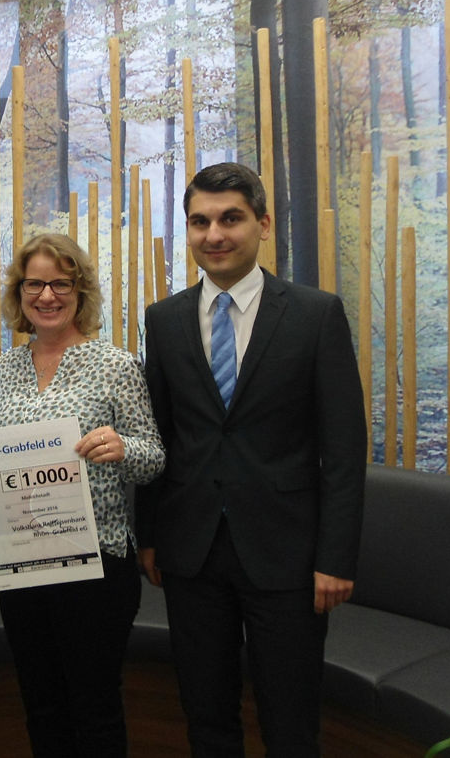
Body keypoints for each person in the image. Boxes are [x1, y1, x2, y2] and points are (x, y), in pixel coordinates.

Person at [137, 163, 366, 757]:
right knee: (206, 714)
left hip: (287, 556)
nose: (214, 233)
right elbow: (159, 434)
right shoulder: (162, 321)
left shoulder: (316, 315)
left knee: (290, 721)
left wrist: (335, 557)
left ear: (263, 224)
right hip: (191, 553)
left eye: (230, 218)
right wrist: (150, 535)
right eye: (199, 221)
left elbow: (343, 450)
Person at [0, 233, 165, 757]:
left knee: (94, 708)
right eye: (34, 283)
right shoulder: (5, 369)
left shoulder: (117, 365)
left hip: (97, 564)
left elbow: (154, 456)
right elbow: (1, 468)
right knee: (40, 705)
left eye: (60, 283)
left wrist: (121, 446)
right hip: (24, 565)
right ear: (19, 293)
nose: (47, 295)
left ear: (80, 291)